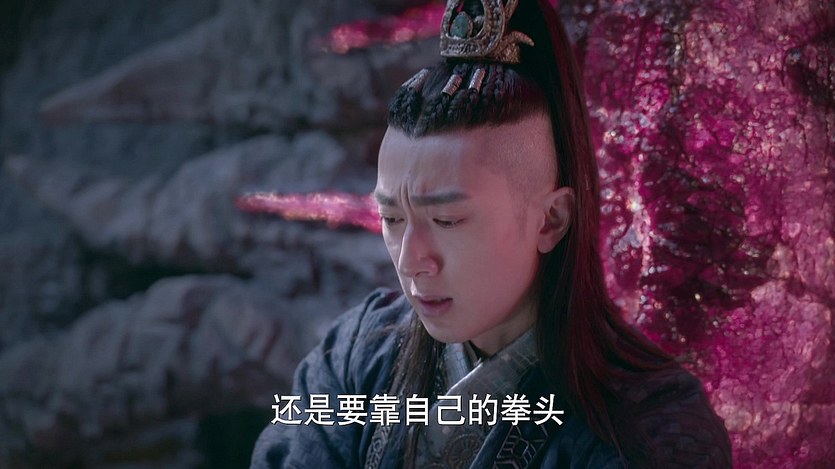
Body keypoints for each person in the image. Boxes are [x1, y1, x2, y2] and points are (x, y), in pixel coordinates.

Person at [251, 0, 732, 467]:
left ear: (551, 220)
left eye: (447, 220)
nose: (411, 261)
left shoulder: (654, 431)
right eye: (392, 219)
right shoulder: (357, 354)